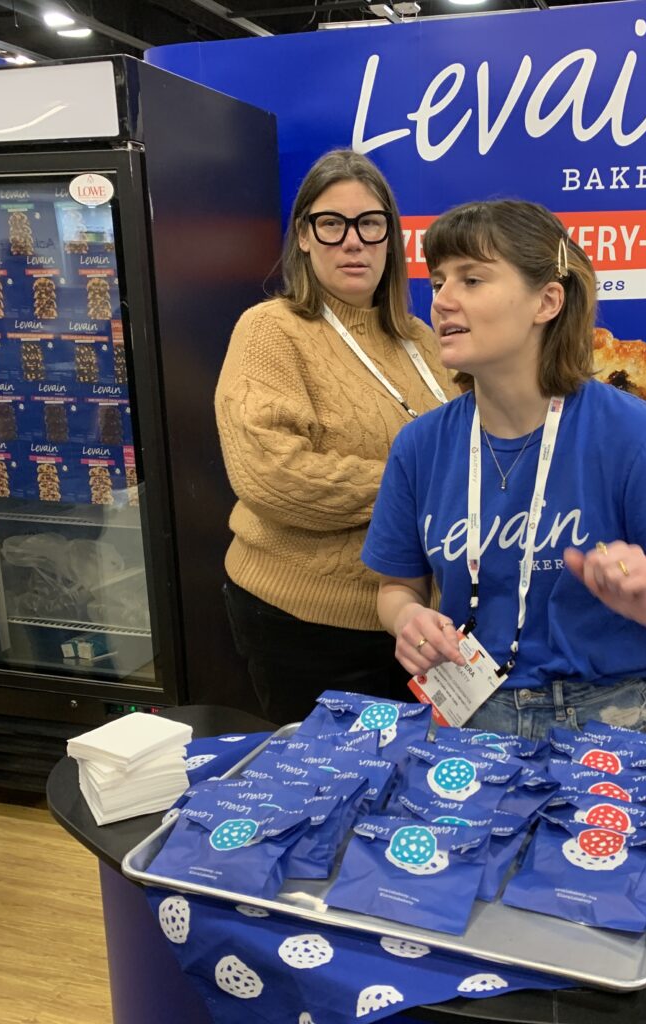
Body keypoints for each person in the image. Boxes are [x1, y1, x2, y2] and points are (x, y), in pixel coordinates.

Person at [362, 199, 646, 740]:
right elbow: (395, 587)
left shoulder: (637, 438)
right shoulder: (420, 446)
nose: (442, 301)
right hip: (465, 715)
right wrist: (407, 620)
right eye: (437, 282)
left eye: (472, 280)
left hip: (604, 717)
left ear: (547, 301)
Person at [215, 149, 454, 724]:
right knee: (323, 794)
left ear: (391, 238)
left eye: (371, 224)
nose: (354, 242)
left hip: (417, 624)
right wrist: (426, 486)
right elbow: (273, 477)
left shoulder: (422, 340)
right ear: (303, 236)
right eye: (332, 224)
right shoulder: (271, 330)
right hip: (306, 624)